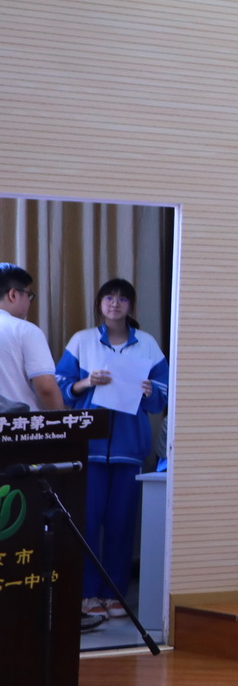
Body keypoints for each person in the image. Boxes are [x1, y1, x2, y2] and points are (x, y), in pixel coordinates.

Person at [55, 278, 169, 623]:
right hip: (88, 447)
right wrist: (86, 382)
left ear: (131, 306)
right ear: (99, 304)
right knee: (86, 523)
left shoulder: (147, 344)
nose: (115, 304)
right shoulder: (83, 340)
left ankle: (114, 593)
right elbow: (59, 386)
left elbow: (165, 394)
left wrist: (150, 392)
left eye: (122, 299)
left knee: (121, 524)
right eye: (109, 298)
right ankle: (88, 593)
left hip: (129, 449)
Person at [0, 263, 63, 412]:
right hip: (19, 423)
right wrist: (61, 421)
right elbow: (46, 388)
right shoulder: (24, 330)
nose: (29, 302)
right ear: (13, 294)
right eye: (29, 295)